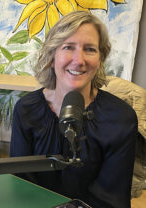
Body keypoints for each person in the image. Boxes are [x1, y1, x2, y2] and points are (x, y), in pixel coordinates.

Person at [10, 11, 137, 208]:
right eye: (68, 47)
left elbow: (112, 199)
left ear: (100, 59)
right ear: (52, 56)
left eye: (90, 49)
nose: (79, 60)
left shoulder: (120, 118)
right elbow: (20, 185)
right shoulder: (26, 110)